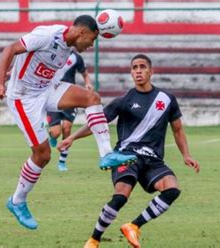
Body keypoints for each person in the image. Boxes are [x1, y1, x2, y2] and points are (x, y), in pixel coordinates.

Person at [0, 15, 137, 230]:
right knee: (42, 156)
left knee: (92, 98)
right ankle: (17, 201)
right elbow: (10, 49)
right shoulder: (46, 35)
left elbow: (33, 63)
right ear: (82, 33)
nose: (92, 45)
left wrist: (10, 73)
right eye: (93, 39)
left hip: (46, 90)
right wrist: (0, 83)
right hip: (24, 97)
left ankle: (106, 153)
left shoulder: (69, 46)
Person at [57, 54, 201, 248]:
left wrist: (186, 155)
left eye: (142, 67)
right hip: (126, 156)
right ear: (131, 73)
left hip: (153, 160)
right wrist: (72, 137)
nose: (138, 71)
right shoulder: (123, 101)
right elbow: (96, 122)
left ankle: (133, 226)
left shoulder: (167, 100)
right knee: (121, 195)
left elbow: (178, 129)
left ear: (151, 71)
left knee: (172, 189)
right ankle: (93, 240)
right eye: (134, 68)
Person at [47, 50, 93, 171]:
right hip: (53, 96)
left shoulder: (76, 58)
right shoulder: (53, 54)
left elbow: (85, 74)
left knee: (67, 128)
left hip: (69, 97)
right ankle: (52, 135)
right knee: (56, 132)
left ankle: (62, 162)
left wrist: (87, 83)